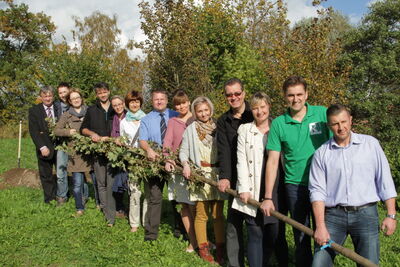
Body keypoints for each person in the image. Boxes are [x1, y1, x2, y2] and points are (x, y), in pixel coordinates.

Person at [309, 104, 397, 266]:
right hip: (334, 217)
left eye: (343, 121)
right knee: (319, 263)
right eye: (335, 124)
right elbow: (317, 192)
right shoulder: (322, 153)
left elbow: (384, 180)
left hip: (366, 215)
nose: (341, 127)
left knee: (369, 264)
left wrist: (391, 215)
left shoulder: (370, 145)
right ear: (329, 126)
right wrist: (320, 226)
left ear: (350, 120)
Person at [260, 76, 331, 267]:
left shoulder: (322, 114)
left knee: (323, 232)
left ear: (306, 94)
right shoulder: (279, 124)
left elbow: (338, 146)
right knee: (301, 235)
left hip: (324, 185)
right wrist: (268, 196)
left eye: (299, 94)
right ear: (285, 97)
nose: (295, 99)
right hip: (295, 186)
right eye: (291, 95)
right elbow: (273, 161)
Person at [232, 92, 288, 267]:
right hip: (253, 186)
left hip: (276, 187)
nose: (259, 111)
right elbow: (241, 160)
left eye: (263, 107)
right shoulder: (245, 130)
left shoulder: (278, 127)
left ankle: (268, 260)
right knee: (254, 231)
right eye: (255, 108)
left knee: (275, 230)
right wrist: (244, 188)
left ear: (269, 107)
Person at [180, 96, 226, 265]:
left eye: (206, 110)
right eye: (200, 111)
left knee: (218, 214)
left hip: (218, 174)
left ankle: (220, 247)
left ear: (211, 110)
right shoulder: (191, 130)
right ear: (195, 112)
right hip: (200, 175)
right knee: (201, 214)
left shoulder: (218, 127)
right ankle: (203, 248)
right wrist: (186, 165)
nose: (203, 113)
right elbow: (183, 151)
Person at [216, 78, 254, 267]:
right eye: (229, 95)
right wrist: (224, 177)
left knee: (257, 225)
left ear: (244, 93)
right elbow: (224, 150)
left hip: (257, 178)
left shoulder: (255, 113)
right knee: (233, 224)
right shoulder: (223, 121)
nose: (234, 97)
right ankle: (234, 263)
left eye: (237, 93)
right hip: (236, 179)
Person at [139, 89, 178, 241]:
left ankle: (180, 229)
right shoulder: (146, 119)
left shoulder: (175, 115)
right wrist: (148, 149)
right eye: (156, 99)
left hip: (174, 161)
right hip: (154, 162)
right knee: (155, 197)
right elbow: (142, 140)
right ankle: (151, 233)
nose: (159, 101)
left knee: (176, 197)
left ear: (167, 101)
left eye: (162, 99)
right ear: (152, 101)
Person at [163, 90, 197, 252]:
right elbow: (168, 142)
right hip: (178, 168)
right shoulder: (173, 121)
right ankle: (193, 241)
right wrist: (168, 158)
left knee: (197, 207)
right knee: (184, 205)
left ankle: (203, 239)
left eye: (183, 102)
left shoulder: (196, 118)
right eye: (177, 104)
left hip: (196, 169)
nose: (181, 106)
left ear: (189, 102)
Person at [81, 82, 115, 226]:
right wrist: (92, 134)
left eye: (104, 92)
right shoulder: (91, 110)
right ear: (97, 95)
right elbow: (83, 129)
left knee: (113, 183)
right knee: (101, 183)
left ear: (109, 92)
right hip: (98, 152)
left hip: (115, 152)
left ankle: (115, 209)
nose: (102, 95)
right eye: (99, 93)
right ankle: (107, 214)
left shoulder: (116, 107)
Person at [54, 88, 90, 216]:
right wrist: (67, 132)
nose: (76, 100)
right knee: (77, 183)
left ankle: (92, 200)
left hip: (90, 152)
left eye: (77, 97)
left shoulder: (89, 111)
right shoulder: (66, 115)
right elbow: (56, 130)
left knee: (92, 180)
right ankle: (79, 207)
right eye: (73, 98)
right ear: (69, 101)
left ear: (81, 98)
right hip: (75, 153)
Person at [119, 91, 146, 233]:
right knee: (134, 191)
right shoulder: (123, 122)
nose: (134, 104)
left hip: (147, 159)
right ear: (127, 104)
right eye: (131, 102)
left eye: (137, 101)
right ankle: (134, 223)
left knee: (147, 192)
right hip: (132, 160)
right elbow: (123, 141)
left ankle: (146, 221)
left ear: (140, 103)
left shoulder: (147, 118)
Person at [28, 86, 60, 203]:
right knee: (46, 175)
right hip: (44, 148)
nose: (48, 98)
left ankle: (62, 196)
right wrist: (42, 146)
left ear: (53, 96)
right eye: (45, 96)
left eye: (50, 95)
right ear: (41, 97)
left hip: (59, 147)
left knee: (61, 174)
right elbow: (33, 131)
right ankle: (50, 199)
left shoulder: (58, 108)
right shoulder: (34, 111)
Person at [110, 95, 128, 218]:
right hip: (116, 153)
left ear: (123, 104)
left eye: (119, 104)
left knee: (128, 179)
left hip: (129, 153)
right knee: (118, 179)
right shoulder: (113, 118)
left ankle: (130, 207)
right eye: (115, 105)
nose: (118, 107)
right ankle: (120, 207)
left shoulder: (130, 116)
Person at [54, 82, 71, 206]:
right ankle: (62, 196)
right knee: (60, 170)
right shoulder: (55, 106)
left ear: (69, 91)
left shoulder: (76, 103)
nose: (63, 95)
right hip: (61, 144)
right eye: (60, 93)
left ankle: (82, 195)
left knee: (79, 171)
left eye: (65, 92)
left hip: (75, 143)